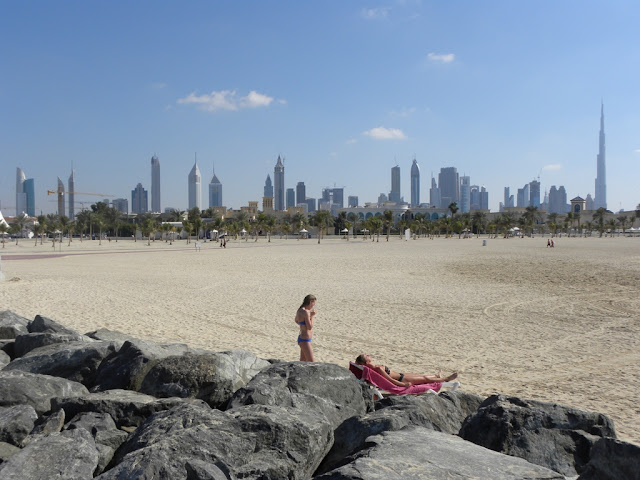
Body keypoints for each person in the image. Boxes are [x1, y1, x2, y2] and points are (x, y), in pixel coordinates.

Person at [355, 354, 458, 387]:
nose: (369, 355)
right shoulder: (376, 369)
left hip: (401, 375)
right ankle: (446, 379)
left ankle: (436, 375)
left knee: (420, 375)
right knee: (425, 379)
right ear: (366, 362)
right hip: (402, 380)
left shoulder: (371, 368)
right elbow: (390, 380)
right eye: (366, 356)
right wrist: (404, 385)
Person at [295, 294, 317, 361]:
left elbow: (296, 320)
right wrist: (312, 316)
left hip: (303, 338)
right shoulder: (305, 312)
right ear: (310, 302)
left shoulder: (300, 310)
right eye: (313, 304)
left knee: (303, 361)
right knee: (311, 361)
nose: (313, 306)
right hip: (305, 340)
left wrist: (302, 326)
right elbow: (309, 327)